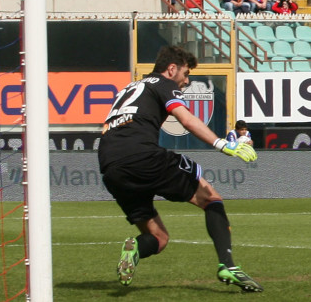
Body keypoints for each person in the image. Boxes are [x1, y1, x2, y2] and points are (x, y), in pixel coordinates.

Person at [98, 46, 263, 292]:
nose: (186, 81)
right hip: (143, 157)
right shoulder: (163, 83)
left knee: (159, 238)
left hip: (110, 166)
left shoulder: (130, 87)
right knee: (211, 198)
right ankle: (228, 265)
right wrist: (222, 144)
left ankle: (134, 249)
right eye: (185, 74)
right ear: (172, 69)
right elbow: (185, 119)